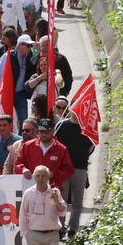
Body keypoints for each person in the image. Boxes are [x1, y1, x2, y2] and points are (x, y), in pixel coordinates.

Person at [52, 97, 93, 236]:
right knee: (61, 200)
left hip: (80, 168)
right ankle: (61, 228)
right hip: (64, 169)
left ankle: (73, 229)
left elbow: (91, 147)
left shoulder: (86, 128)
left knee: (77, 201)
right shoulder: (62, 126)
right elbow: (55, 143)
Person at [14, 119, 75, 189]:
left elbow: (69, 170)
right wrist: (23, 169)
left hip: (52, 189)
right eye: (41, 132)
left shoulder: (61, 149)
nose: (44, 135)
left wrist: (53, 174)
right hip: (30, 188)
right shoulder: (27, 146)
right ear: (38, 131)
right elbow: (18, 163)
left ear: (53, 131)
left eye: (47, 132)